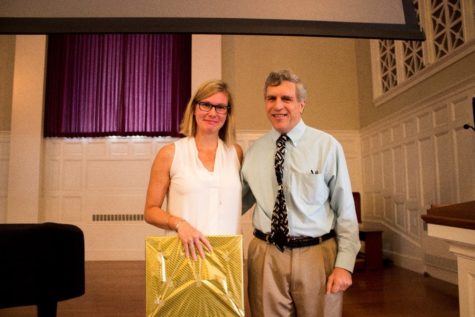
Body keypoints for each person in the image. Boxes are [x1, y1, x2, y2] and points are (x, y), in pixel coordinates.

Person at [241, 70, 360, 316]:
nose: (278, 106)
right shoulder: (254, 152)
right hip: (266, 256)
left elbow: (345, 209)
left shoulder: (327, 146)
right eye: (271, 98)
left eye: (286, 99)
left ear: (301, 105)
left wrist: (345, 265)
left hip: (317, 256)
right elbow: (233, 204)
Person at [144, 79, 243, 261]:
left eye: (220, 107)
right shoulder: (170, 153)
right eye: (206, 105)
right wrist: (180, 224)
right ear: (194, 108)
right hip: (184, 255)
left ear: (228, 114)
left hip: (226, 256)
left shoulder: (235, 153)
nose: (213, 113)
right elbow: (150, 211)